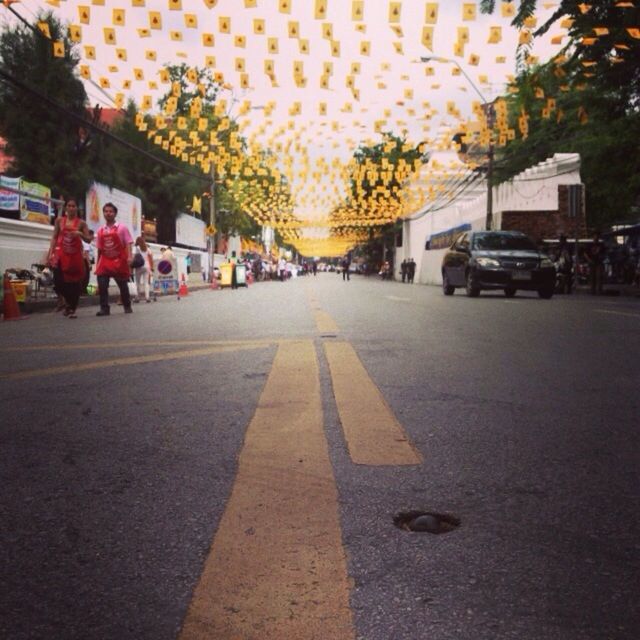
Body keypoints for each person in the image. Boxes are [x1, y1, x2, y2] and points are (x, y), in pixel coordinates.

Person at [46, 198, 93, 318]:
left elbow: (88, 239)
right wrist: (50, 252)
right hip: (61, 255)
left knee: (75, 282)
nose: (71, 208)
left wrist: (80, 234)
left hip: (75, 256)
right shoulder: (59, 221)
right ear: (66, 208)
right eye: (69, 206)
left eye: (73, 206)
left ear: (77, 208)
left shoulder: (82, 223)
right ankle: (68, 303)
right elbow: (54, 237)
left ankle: (71, 307)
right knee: (58, 281)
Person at [95, 202, 134, 316]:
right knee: (102, 285)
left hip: (119, 261)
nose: (108, 213)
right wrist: (97, 264)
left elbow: (128, 243)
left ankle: (127, 305)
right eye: (106, 211)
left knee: (122, 284)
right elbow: (99, 249)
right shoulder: (100, 231)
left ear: (115, 213)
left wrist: (130, 256)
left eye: (111, 211)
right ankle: (104, 308)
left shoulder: (122, 228)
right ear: (103, 213)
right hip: (105, 261)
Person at [132, 235, 153, 303]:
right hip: (146, 266)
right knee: (146, 282)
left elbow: (133, 257)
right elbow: (151, 258)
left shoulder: (136, 248)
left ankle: (138, 297)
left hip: (138, 266)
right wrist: (151, 267)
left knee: (138, 282)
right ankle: (147, 297)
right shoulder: (147, 248)